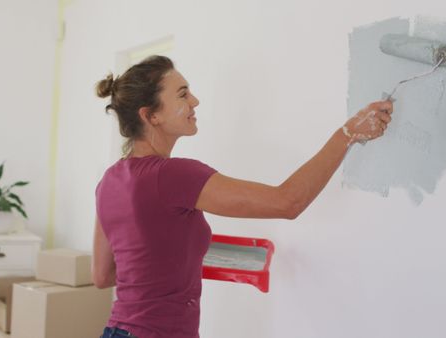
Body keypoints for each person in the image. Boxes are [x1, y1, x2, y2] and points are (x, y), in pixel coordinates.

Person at [92, 55, 392, 338]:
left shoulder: (109, 182)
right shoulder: (173, 176)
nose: (195, 101)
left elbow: (103, 275)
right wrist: (347, 134)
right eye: (183, 95)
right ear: (151, 115)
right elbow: (288, 202)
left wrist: (167, 266)